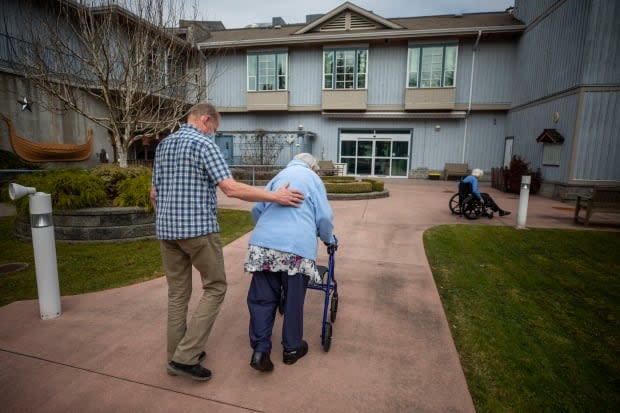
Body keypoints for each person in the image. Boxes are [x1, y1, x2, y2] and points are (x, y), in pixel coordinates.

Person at [150, 102, 305, 382]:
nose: (213, 133)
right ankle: (185, 357)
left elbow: (154, 194)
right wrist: (276, 197)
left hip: (166, 231)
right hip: (197, 230)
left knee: (177, 295)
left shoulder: (163, 146)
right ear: (206, 120)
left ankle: (177, 354)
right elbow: (230, 188)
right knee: (216, 287)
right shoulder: (204, 145)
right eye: (214, 129)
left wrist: (166, 218)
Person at [244, 153, 335, 373]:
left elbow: (256, 209)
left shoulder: (279, 176)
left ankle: (260, 350)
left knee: (262, 300)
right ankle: (292, 349)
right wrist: (327, 239)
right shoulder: (313, 179)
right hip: (296, 248)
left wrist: (267, 229)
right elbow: (324, 217)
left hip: (263, 246)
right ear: (313, 167)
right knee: (294, 300)